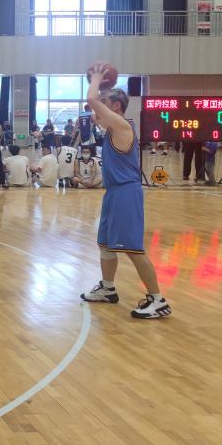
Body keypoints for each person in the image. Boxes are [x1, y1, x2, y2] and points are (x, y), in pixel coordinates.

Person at [80, 66, 171, 320]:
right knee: (105, 245)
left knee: (133, 249)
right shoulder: (111, 129)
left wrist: (96, 79)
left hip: (126, 194)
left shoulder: (122, 126)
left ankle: (158, 300)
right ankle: (108, 289)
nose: (98, 106)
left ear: (116, 106)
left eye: (104, 102)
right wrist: (100, 87)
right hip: (112, 193)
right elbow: (92, 107)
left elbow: (90, 100)